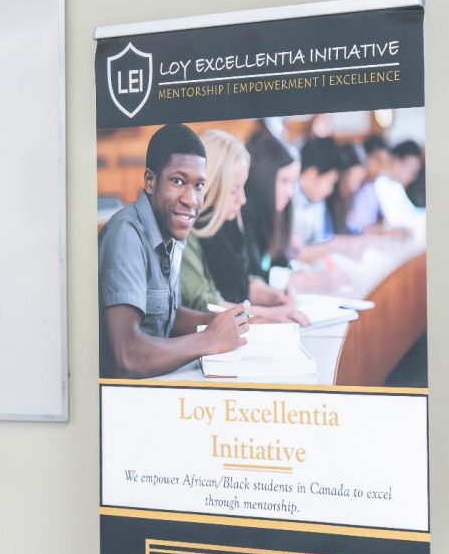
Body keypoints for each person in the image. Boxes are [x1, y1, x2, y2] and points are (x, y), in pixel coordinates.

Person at [98, 124, 247, 379]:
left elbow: (166, 314)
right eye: (178, 181)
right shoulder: (126, 235)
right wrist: (209, 339)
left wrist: (222, 323)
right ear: (150, 181)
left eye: (199, 186)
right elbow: (127, 355)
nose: (191, 199)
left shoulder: (171, 232)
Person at [180, 130, 308, 325]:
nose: (243, 199)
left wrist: (274, 297)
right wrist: (267, 315)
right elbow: (206, 304)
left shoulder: (230, 220)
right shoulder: (187, 229)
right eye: (233, 191)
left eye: (242, 187)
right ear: (211, 187)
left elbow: (243, 281)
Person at [241, 131, 299, 284]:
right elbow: (255, 275)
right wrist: (298, 279)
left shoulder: (272, 215)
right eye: (285, 181)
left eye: (293, 183)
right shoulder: (244, 215)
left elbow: (279, 261)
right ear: (264, 178)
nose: (291, 192)